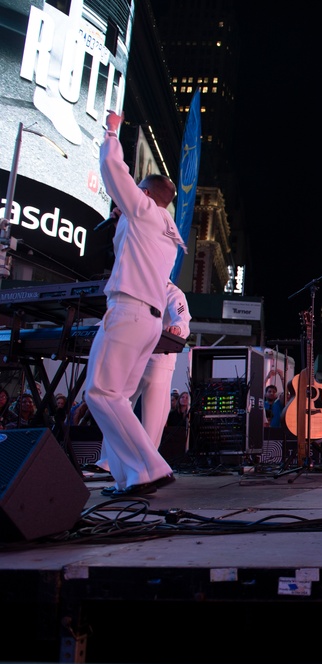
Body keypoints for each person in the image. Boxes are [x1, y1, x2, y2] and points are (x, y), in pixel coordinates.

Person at [84, 110, 187, 498]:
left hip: (127, 312)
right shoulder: (164, 230)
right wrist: (123, 219)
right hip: (148, 321)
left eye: (137, 189)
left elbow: (113, 168)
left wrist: (112, 130)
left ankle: (150, 468)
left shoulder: (141, 210)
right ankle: (133, 475)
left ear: (144, 194)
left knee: (100, 391)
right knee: (118, 397)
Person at [129, 282, 191, 451]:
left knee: (153, 417)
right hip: (134, 355)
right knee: (118, 406)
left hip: (158, 358)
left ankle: (147, 461)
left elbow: (182, 319)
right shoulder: (137, 286)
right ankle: (108, 461)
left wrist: (177, 329)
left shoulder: (172, 292)